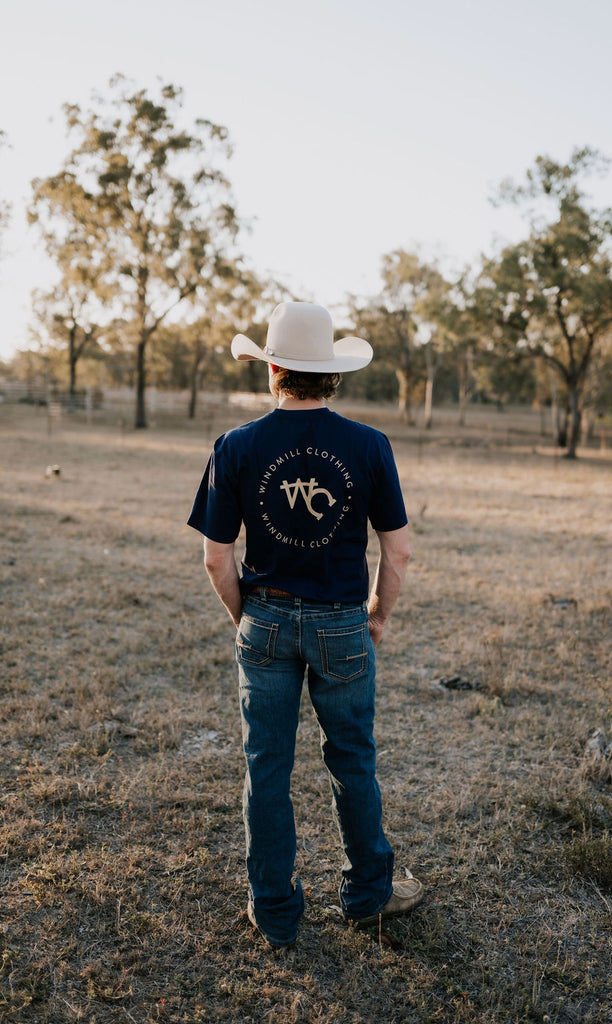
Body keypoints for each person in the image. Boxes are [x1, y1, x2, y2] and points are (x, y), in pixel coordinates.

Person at [188, 301, 423, 949]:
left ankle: (274, 909)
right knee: (351, 761)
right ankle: (367, 894)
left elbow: (215, 556)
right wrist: (375, 617)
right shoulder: (368, 446)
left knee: (265, 766)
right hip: (341, 624)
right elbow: (396, 550)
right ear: (331, 375)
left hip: (263, 619)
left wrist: (249, 620)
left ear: (272, 371)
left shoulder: (235, 447)